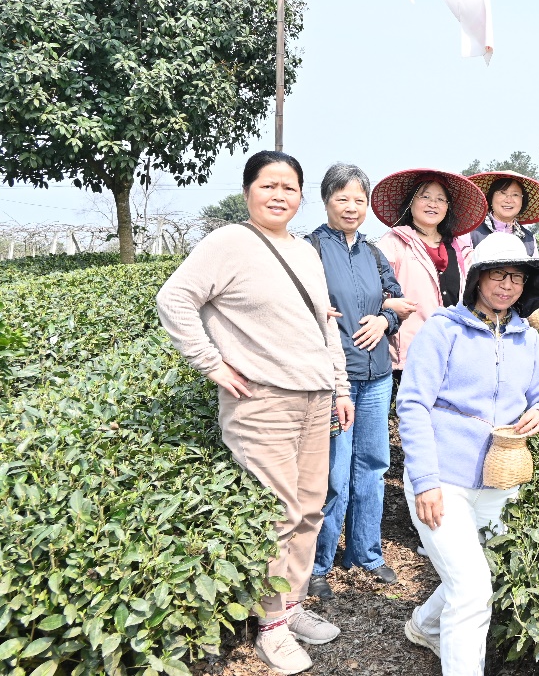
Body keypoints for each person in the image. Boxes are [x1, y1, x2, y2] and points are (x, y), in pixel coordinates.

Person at [157, 150, 350, 675]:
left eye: (290, 187)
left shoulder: (305, 251)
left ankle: (291, 605)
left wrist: (340, 386)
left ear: (301, 197)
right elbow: (174, 299)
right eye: (268, 185)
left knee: (309, 508)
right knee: (278, 514)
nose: (279, 195)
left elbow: (324, 325)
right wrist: (211, 363)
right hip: (262, 402)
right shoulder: (228, 243)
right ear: (247, 192)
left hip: (315, 397)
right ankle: (271, 626)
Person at [398, 234, 539, 675]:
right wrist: (425, 482)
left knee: (474, 572)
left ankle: (423, 625)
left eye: (516, 277)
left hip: (498, 481)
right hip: (443, 481)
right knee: (472, 590)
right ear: (477, 279)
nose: (507, 285)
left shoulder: (528, 339)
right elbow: (412, 405)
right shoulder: (443, 330)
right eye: (498, 275)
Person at [306, 163, 417, 600]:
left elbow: (399, 302)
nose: (351, 207)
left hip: (377, 376)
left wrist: (385, 319)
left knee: (372, 466)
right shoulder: (311, 249)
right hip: (335, 380)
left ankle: (365, 552)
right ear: (326, 201)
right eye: (342, 198)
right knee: (333, 473)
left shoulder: (373, 253)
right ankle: (318, 564)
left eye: (359, 199)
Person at [372, 169, 488, 385]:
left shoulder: (459, 246)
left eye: (440, 199)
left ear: (448, 207)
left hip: (454, 353)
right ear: (411, 202)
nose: (432, 204)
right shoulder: (394, 242)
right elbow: (370, 289)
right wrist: (387, 303)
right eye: (425, 196)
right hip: (410, 356)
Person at [467, 170, 539, 340]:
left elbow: (535, 284)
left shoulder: (528, 239)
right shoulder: (472, 233)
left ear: (522, 201)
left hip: (513, 322)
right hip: (475, 318)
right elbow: (464, 279)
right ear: (491, 197)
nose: (508, 199)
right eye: (502, 193)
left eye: (515, 195)